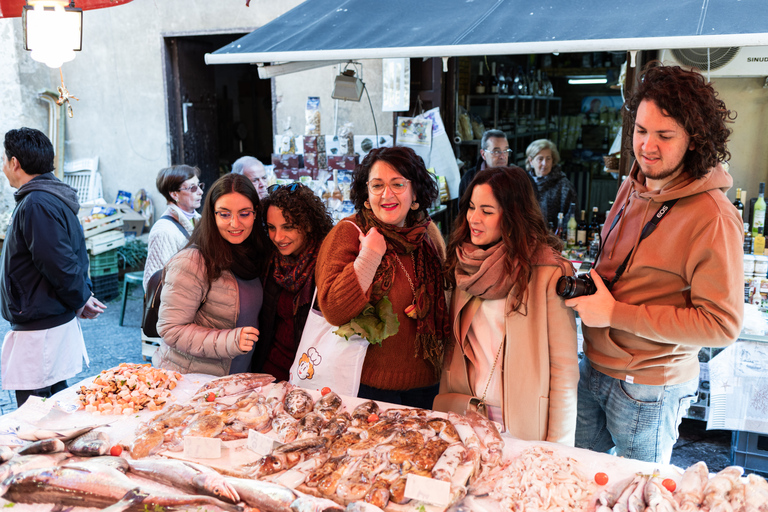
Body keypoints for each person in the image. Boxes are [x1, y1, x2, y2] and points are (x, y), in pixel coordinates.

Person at [565, 64, 743, 464]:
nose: (647, 146)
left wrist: (614, 312)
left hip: (648, 386)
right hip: (592, 366)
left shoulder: (713, 215)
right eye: (641, 131)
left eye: (664, 136)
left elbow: (721, 325)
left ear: (694, 141)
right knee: (575, 478)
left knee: (639, 495)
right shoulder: (634, 184)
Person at [440, 166, 579, 443]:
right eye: (471, 207)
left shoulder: (548, 271)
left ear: (513, 215)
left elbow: (564, 371)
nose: (473, 219)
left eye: (487, 211)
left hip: (522, 421)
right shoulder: (464, 264)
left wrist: (558, 446)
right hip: (464, 411)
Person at [316, 146, 451, 409]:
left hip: (428, 384)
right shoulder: (348, 233)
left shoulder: (428, 233)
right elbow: (333, 309)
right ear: (366, 194)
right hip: (364, 386)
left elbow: (446, 294)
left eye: (398, 184)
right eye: (377, 185)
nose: (387, 195)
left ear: (415, 194)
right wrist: (368, 257)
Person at [1, 127, 105, 407]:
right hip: (46, 316)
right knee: (55, 402)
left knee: (35, 412)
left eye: (3, 160)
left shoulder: (37, 202)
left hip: (40, 322)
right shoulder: (46, 196)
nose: (3, 168)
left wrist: (81, 298)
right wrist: (80, 297)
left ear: (15, 163)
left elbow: (58, 262)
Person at [154, 173, 267, 376]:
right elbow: (171, 329)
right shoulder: (193, 261)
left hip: (239, 381)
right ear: (212, 215)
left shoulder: (256, 255)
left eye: (244, 213)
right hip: (194, 382)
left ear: (256, 213)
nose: (235, 224)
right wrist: (230, 341)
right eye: (224, 214)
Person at [251, 182, 333, 381]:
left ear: (308, 223)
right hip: (270, 372)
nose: (278, 237)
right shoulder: (271, 261)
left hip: (312, 377)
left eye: (288, 227)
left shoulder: (329, 262)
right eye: (271, 227)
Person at [143, 165, 203, 290]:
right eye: (193, 188)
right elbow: (153, 284)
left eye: (199, 186)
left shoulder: (200, 221)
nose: (200, 192)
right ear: (174, 194)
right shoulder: (163, 231)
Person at [458, 129, 538, 202]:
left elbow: (534, 207)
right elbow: (462, 211)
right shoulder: (469, 178)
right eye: (496, 152)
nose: (502, 156)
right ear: (483, 154)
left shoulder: (521, 177)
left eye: (506, 151)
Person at [525, 139, 577, 228]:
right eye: (540, 159)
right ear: (531, 161)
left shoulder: (564, 185)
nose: (545, 163)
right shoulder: (523, 182)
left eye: (548, 158)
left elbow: (571, 219)